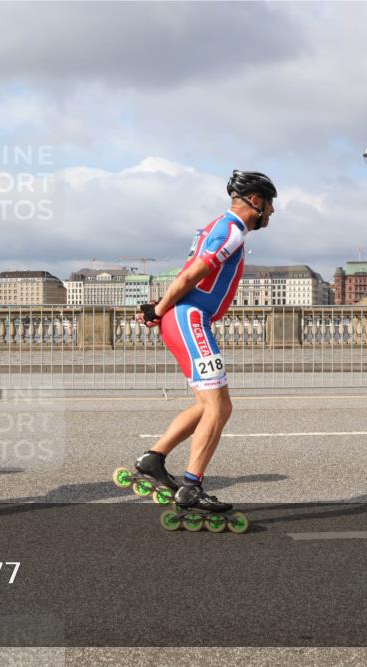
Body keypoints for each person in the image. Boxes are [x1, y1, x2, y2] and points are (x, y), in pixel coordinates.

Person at [135, 170, 277, 512]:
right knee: (220, 407)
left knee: (206, 404)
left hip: (187, 318)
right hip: (191, 318)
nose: (272, 212)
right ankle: (191, 486)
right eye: (271, 205)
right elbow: (190, 275)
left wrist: (160, 309)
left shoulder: (218, 227)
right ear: (255, 202)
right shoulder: (231, 231)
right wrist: (160, 307)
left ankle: (153, 459)